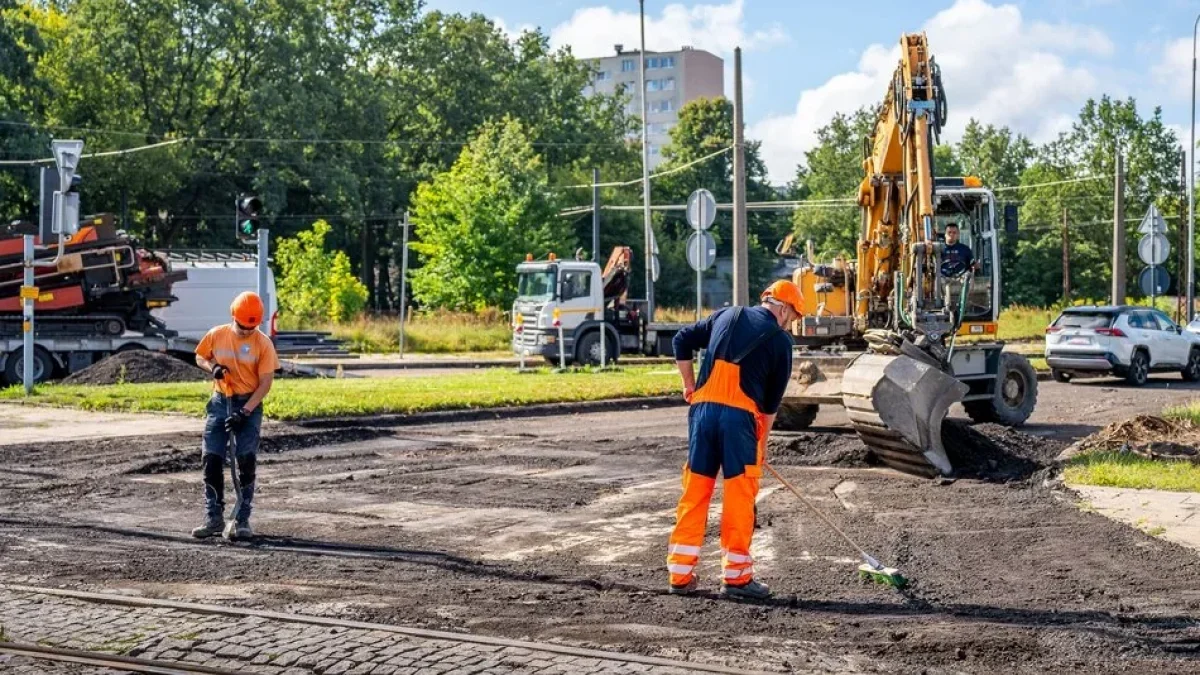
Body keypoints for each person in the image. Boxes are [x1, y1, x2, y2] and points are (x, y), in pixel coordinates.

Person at [666, 281, 801, 600]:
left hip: (702, 415)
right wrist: (761, 445)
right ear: (783, 309)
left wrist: (689, 386)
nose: (791, 324)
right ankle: (737, 579)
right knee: (739, 495)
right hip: (738, 420)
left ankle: (680, 574)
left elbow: (681, 339)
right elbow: (769, 407)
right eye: (793, 317)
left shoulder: (725, 314)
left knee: (695, 491)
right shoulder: (780, 343)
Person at [191, 292, 279, 541]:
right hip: (220, 402)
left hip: (248, 404)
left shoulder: (263, 344)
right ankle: (213, 518)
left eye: (251, 327)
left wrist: (245, 412)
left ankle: (242, 519)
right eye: (241, 326)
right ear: (233, 317)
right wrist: (213, 368)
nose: (245, 331)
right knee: (211, 458)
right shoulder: (217, 334)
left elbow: (265, 384)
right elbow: (200, 356)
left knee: (245, 458)